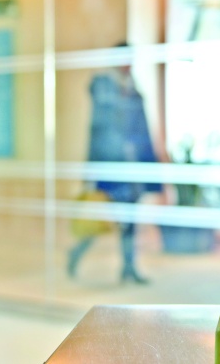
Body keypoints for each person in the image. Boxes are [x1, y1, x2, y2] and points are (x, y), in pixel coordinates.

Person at [68, 45, 161, 284]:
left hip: (132, 170)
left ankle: (128, 267)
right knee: (100, 219)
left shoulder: (132, 89)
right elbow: (99, 131)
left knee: (129, 221)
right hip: (111, 169)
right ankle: (76, 252)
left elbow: (142, 132)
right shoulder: (105, 87)